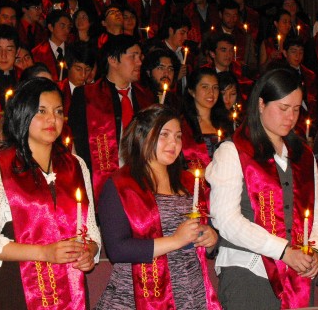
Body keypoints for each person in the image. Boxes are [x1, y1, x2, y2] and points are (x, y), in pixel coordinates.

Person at [0, 78, 100, 309]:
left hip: (71, 289)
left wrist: (89, 252)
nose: (52, 119)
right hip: (19, 286)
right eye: (42, 111)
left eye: (58, 111)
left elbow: (90, 231)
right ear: (23, 113)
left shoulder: (76, 165)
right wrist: (44, 253)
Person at [206, 68, 318, 310]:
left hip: (297, 274)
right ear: (261, 104)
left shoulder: (304, 155)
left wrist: (315, 251)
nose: (291, 117)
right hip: (248, 274)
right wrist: (283, 251)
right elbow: (226, 220)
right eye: (283, 108)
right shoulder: (233, 151)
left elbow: (316, 215)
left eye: (296, 109)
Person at [96, 106, 221, 309]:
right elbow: (117, 249)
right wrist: (176, 240)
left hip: (190, 295)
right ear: (142, 136)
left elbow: (204, 233)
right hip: (137, 297)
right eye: (165, 135)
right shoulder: (120, 185)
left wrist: (211, 238)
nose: (174, 143)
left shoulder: (189, 181)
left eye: (178, 136)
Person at [68, 34, 156, 199]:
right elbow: (78, 144)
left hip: (142, 181)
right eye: (133, 56)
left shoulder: (147, 97)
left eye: (140, 57)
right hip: (102, 184)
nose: (139, 62)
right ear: (113, 60)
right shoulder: (86, 96)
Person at [181, 68, 228, 169]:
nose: (211, 93)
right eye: (205, 87)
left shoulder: (226, 122)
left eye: (215, 87)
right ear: (192, 91)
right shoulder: (183, 126)